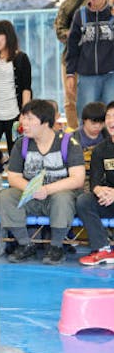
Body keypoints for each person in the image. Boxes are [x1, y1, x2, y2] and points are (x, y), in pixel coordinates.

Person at [0, 100, 85, 265]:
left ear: (45, 122)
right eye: (23, 118)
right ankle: (25, 244)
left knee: (63, 197)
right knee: (6, 196)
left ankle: (57, 246)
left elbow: (77, 179)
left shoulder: (68, 143)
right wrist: (31, 189)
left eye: (29, 119)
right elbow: (13, 176)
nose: (23, 123)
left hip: (58, 196)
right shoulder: (21, 144)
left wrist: (46, 189)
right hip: (31, 195)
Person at [66, 0, 114, 118]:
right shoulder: (80, 15)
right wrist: (70, 74)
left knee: (111, 118)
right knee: (87, 118)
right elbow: (72, 46)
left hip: (111, 76)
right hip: (87, 77)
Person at [76, 100, 114, 265]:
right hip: (109, 198)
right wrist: (99, 191)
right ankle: (103, 249)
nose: (111, 121)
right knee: (84, 200)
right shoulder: (100, 149)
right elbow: (95, 181)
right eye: (109, 116)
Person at [0, 20, 32, 169]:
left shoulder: (21, 58)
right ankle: (1, 160)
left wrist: (24, 113)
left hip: (14, 113)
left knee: (15, 150)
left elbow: (26, 88)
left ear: (8, 36)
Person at [54, 0, 90, 129]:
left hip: (93, 58)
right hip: (69, 58)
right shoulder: (66, 4)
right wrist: (74, 34)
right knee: (69, 100)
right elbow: (59, 30)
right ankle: (76, 136)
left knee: (91, 98)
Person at [72, 101, 107, 191]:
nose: (98, 126)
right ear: (84, 120)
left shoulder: (107, 136)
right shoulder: (73, 138)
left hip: (103, 176)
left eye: (101, 123)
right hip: (81, 177)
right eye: (93, 123)